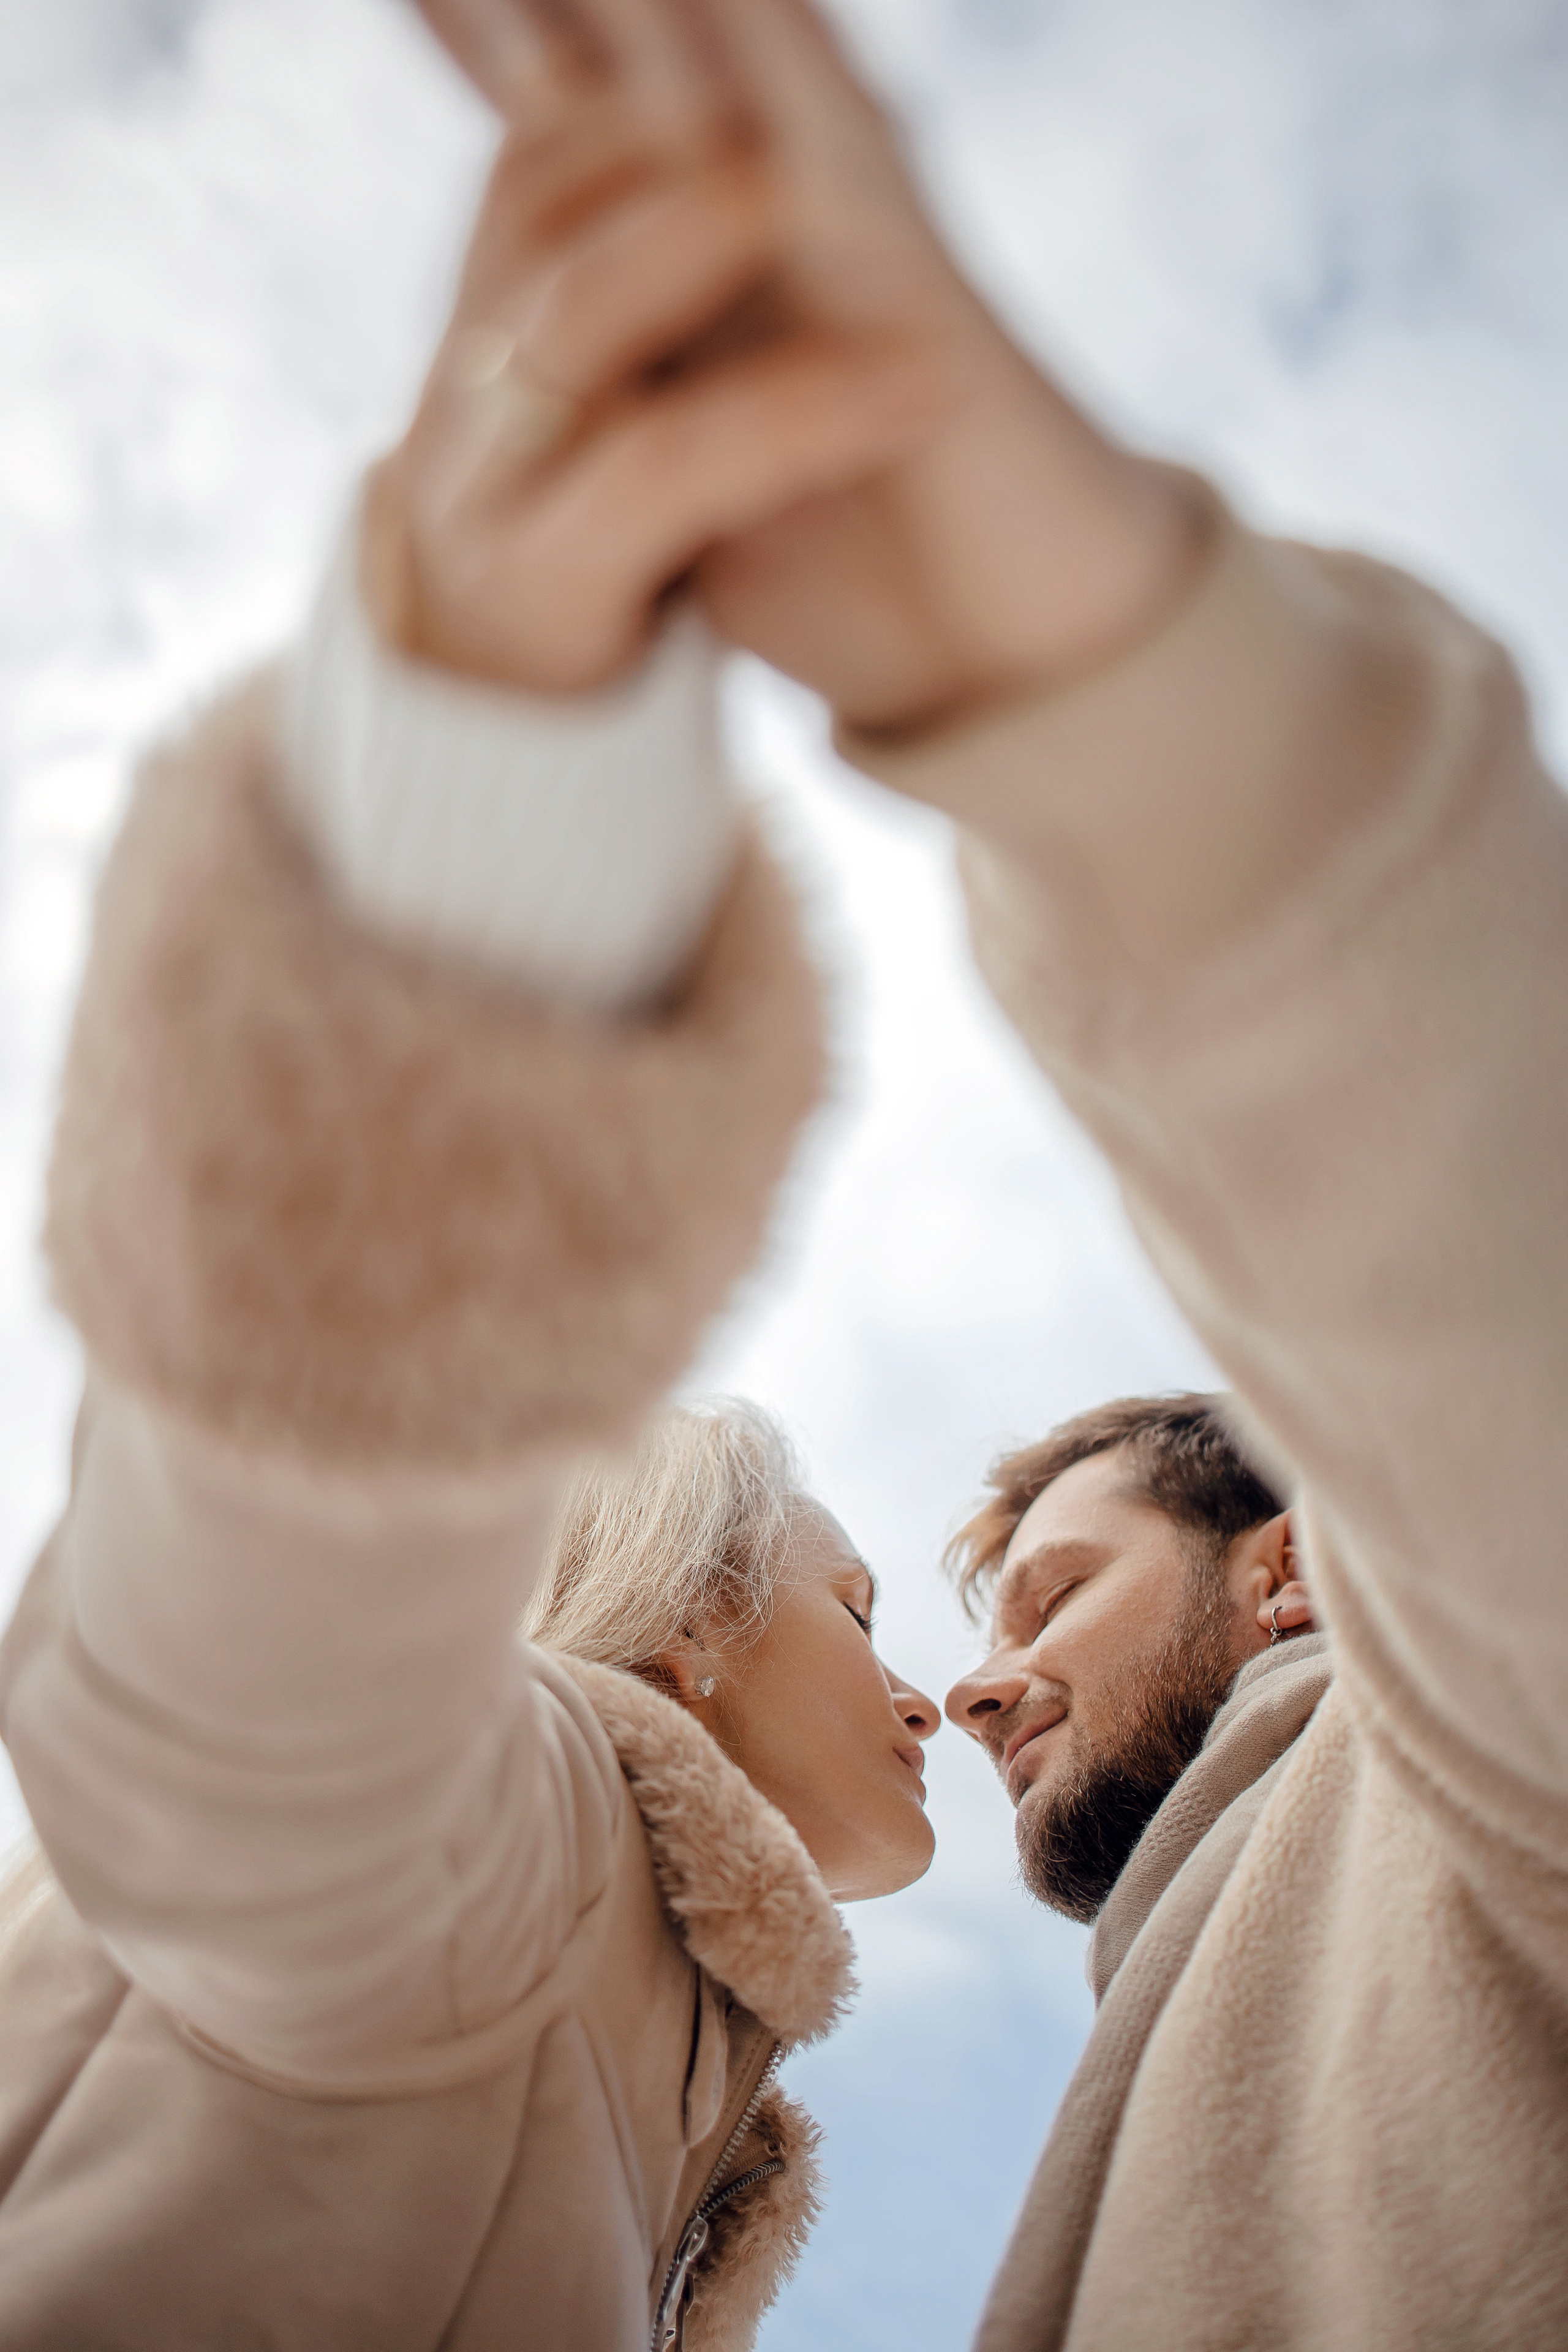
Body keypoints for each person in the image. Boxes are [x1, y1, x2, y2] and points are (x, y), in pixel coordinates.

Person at [393, 4, 1568, 2345]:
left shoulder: (1481, 1766)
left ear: (1309, 1564)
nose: (978, 1680)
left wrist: (1109, 700)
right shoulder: (1183, 2011)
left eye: (1048, 1592)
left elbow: (1475, 1250)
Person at [0, 21, 946, 2348]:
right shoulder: (492, 1863)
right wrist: (476, 843)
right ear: (695, 1620)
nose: (930, 1694)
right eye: (858, 1605)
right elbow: (223, 1721)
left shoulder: (687, 2071)